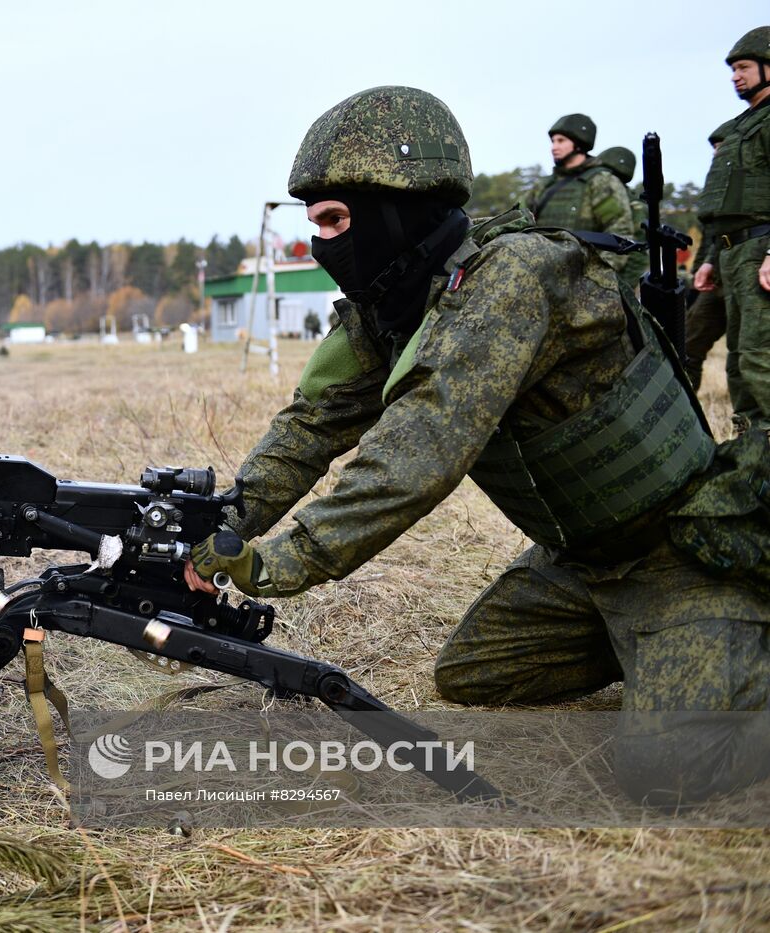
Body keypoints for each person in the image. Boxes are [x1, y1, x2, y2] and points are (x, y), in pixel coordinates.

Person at [185, 85, 770, 805]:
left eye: (337, 220)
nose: (323, 244)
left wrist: (277, 561)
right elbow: (312, 426)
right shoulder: (396, 303)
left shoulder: (512, 277)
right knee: (474, 672)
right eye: (315, 224)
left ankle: (724, 633)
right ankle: (661, 652)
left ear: (398, 207)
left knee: (669, 772)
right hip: (583, 563)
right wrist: (224, 520)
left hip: (679, 550)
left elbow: (419, 447)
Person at [692, 27, 770, 433]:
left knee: (761, 356)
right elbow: (724, 208)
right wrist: (708, 261)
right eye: (733, 69)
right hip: (732, 253)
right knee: (739, 357)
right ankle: (753, 452)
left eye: (743, 67)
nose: (735, 76)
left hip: (761, 250)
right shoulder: (740, 126)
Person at [529, 113, 636, 273]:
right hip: (541, 272)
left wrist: (596, 275)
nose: (554, 147)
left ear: (579, 143)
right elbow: (519, 223)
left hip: (582, 276)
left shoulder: (600, 181)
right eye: (553, 141)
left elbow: (620, 234)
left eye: (561, 141)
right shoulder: (543, 186)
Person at [685, 121, 738, 391]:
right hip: (713, 280)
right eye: (715, 149)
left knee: (745, 355)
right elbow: (708, 239)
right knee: (688, 346)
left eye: (722, 148)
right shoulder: (716, 191)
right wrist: (697, 273)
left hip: (745, 273)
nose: (717, 155)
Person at [595, 145, 650, 291]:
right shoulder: (602, 196)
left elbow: (638, 251)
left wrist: (625, 286)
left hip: (621, 277)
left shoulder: (633, 205)